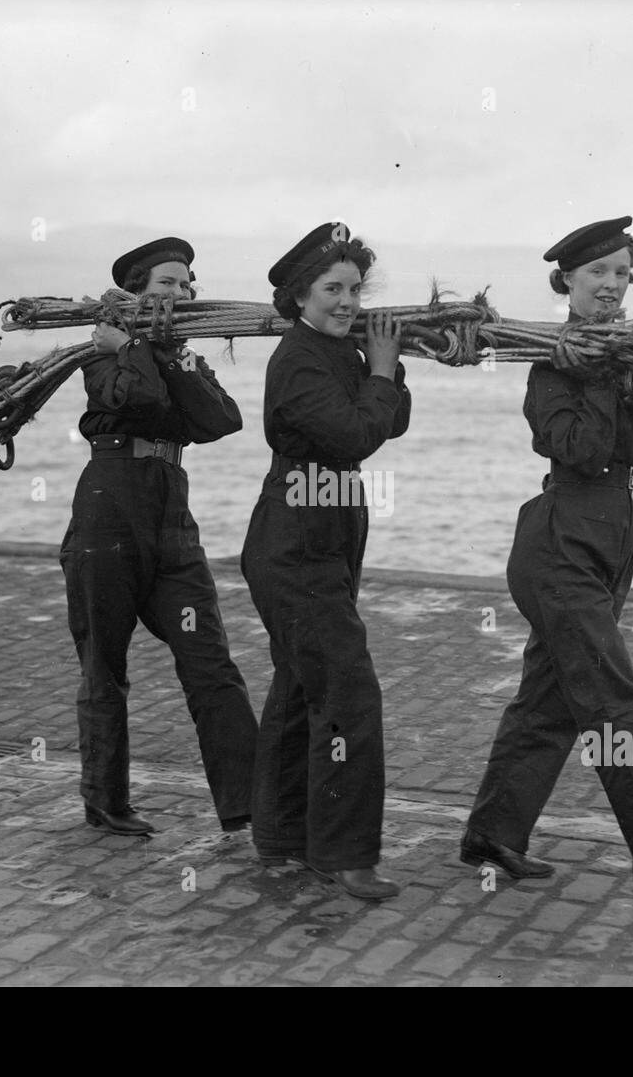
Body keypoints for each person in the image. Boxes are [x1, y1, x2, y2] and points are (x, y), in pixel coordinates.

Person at [461, 216, 633, 901]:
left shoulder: (627, 356)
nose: (612, 285)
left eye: (622, 274)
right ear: (568, 283)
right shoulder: (553, 363)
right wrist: (608, 376)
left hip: (609, 546)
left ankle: (492, 835)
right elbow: (579, 449)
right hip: (559, 546)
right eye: (597, 274)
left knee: (549, 699)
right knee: (618, 702)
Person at [60, 236, 258, 837]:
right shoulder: (100, 350)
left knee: (211, 663)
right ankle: (106, 803)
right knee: (104, 666)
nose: (183, 292)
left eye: (187, 283)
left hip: (172, 519)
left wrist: (156, 352)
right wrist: (129, 348)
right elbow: (135, 395)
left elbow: (223, 420)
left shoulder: (177, 356)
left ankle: (252, 806)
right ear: (136, 294)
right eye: (168, 283)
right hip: (109, 508)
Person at [240, 222, 412, 901]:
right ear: (299, 297)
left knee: (300, 689)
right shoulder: (300, 359)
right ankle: (343, 855)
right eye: (331, 289)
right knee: (348, 694)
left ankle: (281, 840)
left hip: (322, 541)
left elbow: (392, 419)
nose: (346, 301)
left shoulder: (335, 349)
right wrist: (380, 372)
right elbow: (355, 434)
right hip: (294, 546)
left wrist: (385, 370)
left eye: (353, 288)